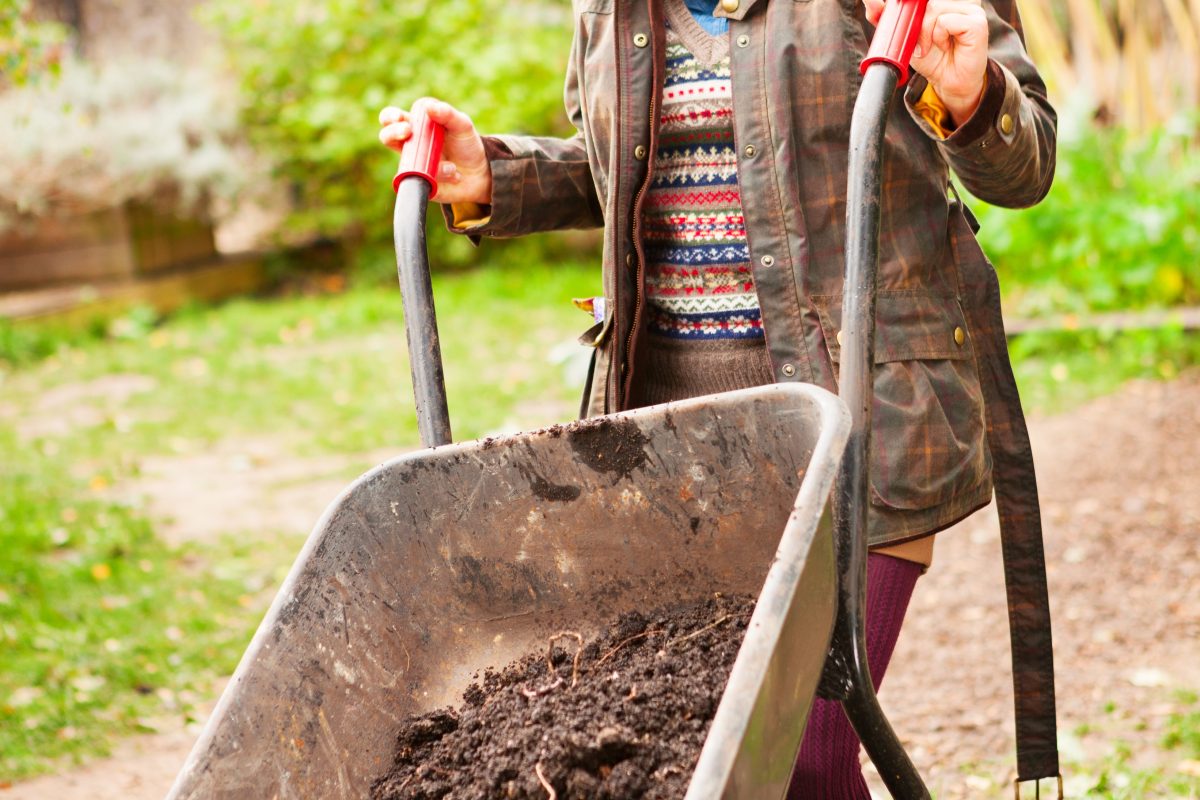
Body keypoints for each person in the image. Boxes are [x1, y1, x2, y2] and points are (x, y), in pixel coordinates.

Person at [379, 0, 1058, 795]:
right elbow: (625, 172)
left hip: (862, 424)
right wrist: (496, 173)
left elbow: (1025, 166)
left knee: (798, 750)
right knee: (710, 756)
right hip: (672, 448)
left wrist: (971, 92)